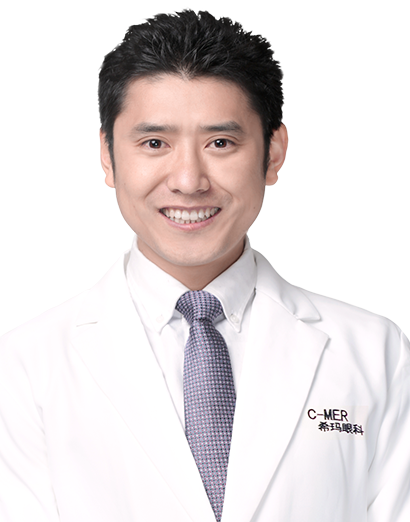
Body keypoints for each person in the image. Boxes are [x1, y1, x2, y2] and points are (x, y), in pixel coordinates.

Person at [0, 9, 409, 522]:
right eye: (155, 143)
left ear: (273, 152)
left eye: (221, 143)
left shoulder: (375, 352)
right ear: (107, 155)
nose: (189, 180)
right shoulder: (24, 366)